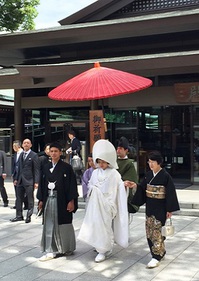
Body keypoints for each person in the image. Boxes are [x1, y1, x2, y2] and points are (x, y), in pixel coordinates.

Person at [124, 150, 180, 268]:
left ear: (159, 163)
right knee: (149, 230)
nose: (150, 164)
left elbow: (170, 193)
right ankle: (160, 251)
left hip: (161, 207)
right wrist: (135, 186)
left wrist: (169, 209)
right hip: (150, 206)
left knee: (157, 231)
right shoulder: (149, 175)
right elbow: (143, 188)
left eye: (153, 162)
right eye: (149, 162)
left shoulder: (165, 176)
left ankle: (156, 256)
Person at [78, 139, 129, 263]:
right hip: (96, 204)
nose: (101, 165)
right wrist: (94, 191)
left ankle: (104, 248)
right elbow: (90, 185)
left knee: (105, 226)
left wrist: (123, 186)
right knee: (96, 225)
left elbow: (118, 188)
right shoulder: (95, 173)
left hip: (107, 204)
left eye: (104, 162)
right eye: (99, 162)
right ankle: (100, 248)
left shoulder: (114, 174)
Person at [37, 142, 78, 261]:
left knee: (63, 223)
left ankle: (66, 247)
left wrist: (71, 201)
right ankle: (51, 249)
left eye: (56, 151)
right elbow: (42, 185)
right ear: (49, 153)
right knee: (49, 223)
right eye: (52, 151)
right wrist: (40, 199)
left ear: (60, 153)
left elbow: (72, 186)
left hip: (62, 200)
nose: (54, 153)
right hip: (49, 199)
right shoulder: (45, 167)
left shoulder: (66, 168)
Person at [10, 139, 40, 223]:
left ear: (30, 145)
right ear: (22, 145)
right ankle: (19, 215)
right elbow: (19, 168)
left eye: (28, 143)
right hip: (20, 180)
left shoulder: (34, 155)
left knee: (30, 199)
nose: (26, 144)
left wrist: (36, 182)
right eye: (24, 143)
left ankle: (29, 216)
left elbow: (37, 170)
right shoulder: (21, 155)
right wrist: (16, 179)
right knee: (18, 198)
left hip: (29, 180)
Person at [116, 136, 138, 214]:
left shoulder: (129, 163)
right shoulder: (113, 162)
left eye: (120, 149)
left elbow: (131, 180)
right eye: (117, 148)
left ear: (126, 150)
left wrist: (121, 183)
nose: (118, 151)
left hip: (123, 194)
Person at [11, 140, 28, 210]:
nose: (13, 148)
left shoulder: (23, 154)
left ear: (17, 146)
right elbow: (14, 165)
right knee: (17, 191)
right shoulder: (15, 155)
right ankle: (17, 204)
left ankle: (26, 204)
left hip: (22, 176)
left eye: (13, 146)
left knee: (23, 192)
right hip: (15, 175)